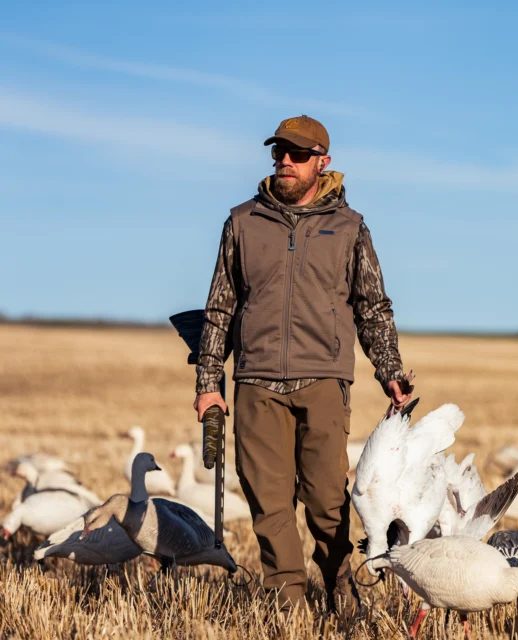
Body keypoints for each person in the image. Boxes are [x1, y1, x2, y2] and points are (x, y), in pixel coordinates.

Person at [194, 114, 411, 615]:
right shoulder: (242, 222)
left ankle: (339, 584)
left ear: (323, 162)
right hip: (256, 381)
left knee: (327, 501)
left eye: (297, 155)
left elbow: (372, 306)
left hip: (324, 379)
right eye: (278, 154)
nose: (285, 162)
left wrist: (390, 370)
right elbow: (220, 308)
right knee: (268, 504)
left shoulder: (350, 227)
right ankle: (287, 601)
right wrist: (209, 382)